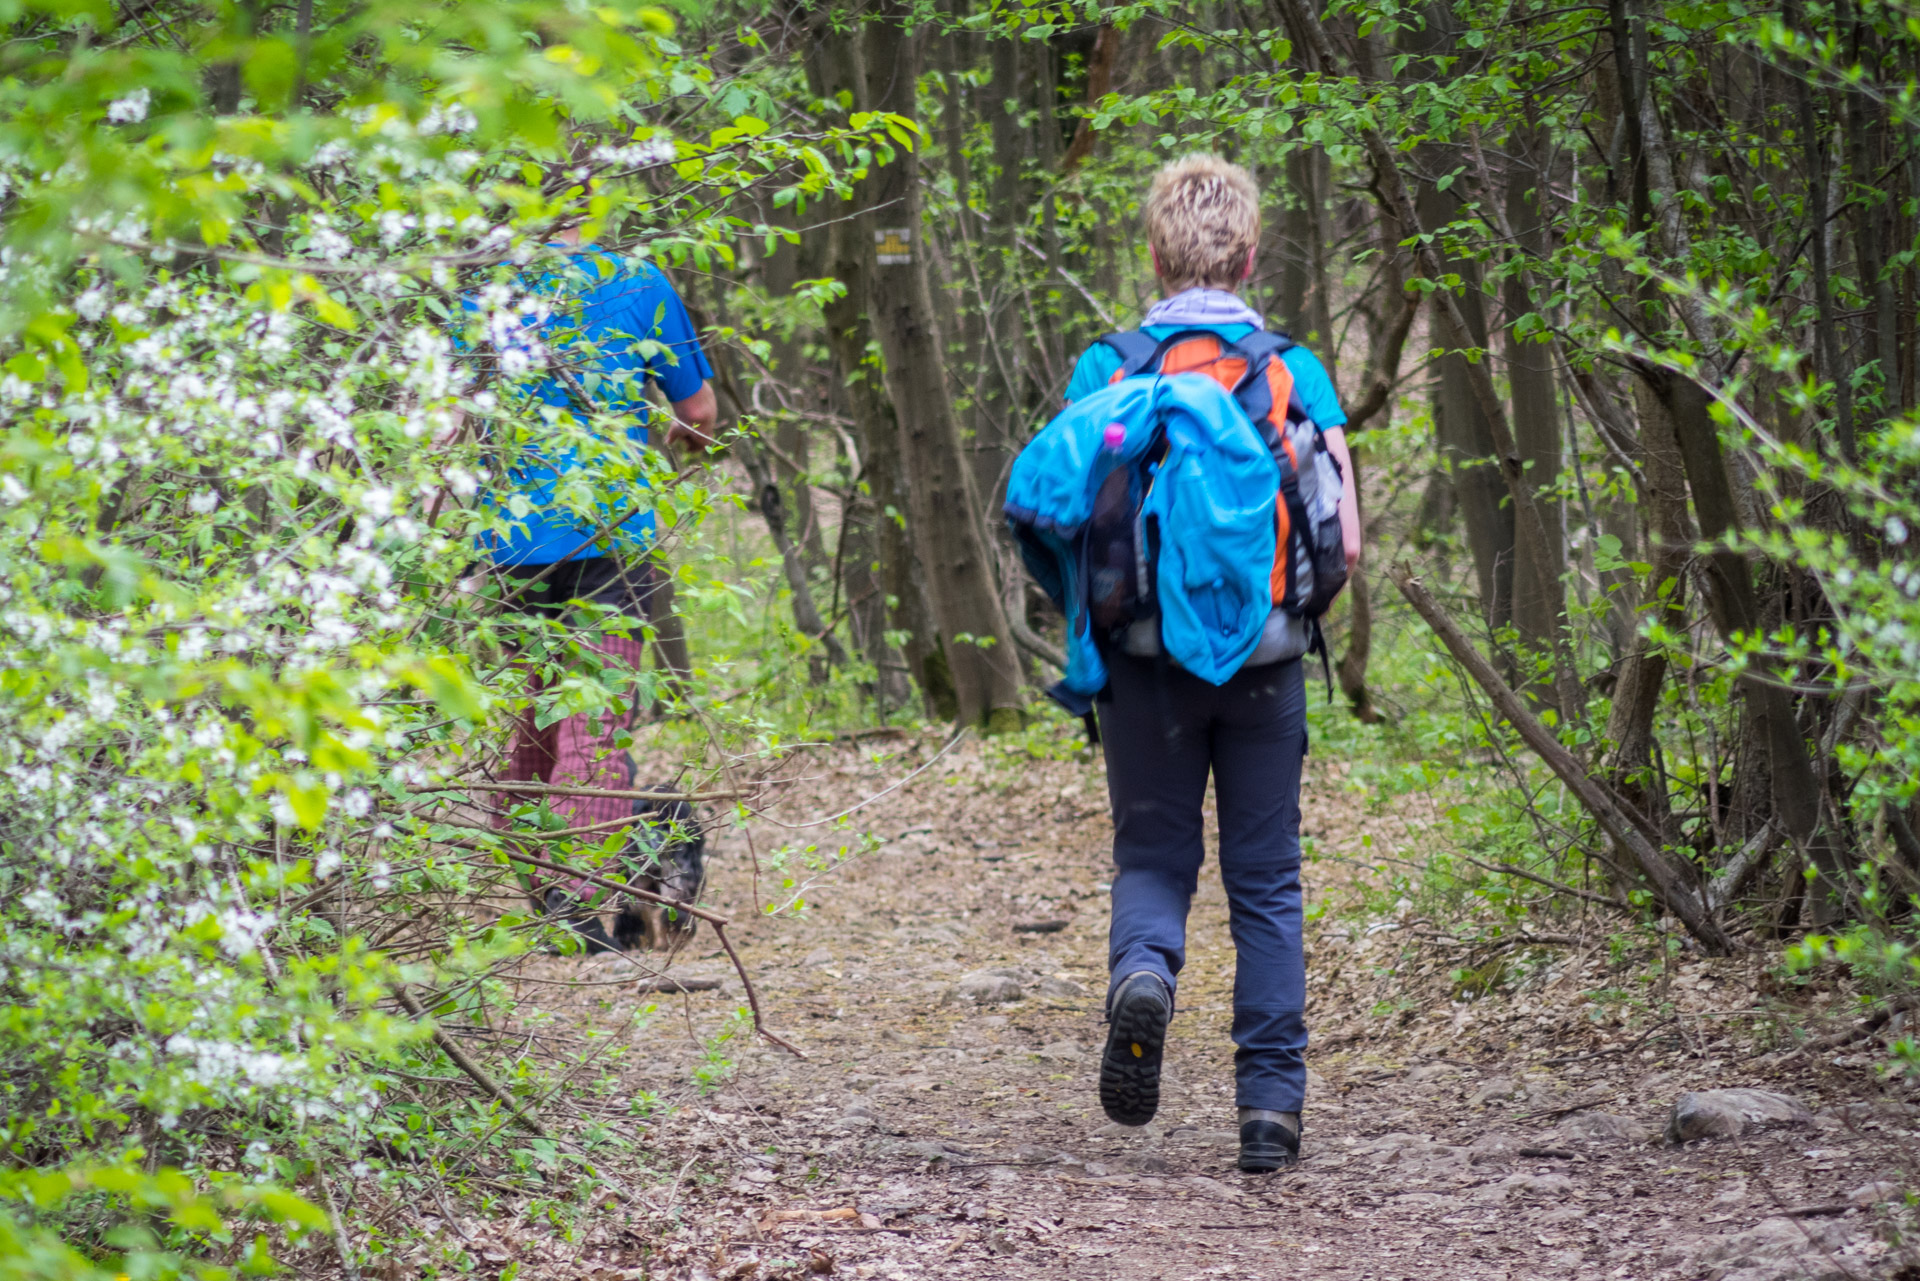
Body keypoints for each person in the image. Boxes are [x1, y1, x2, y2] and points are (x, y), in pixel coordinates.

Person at [1062, 155, 1361, 1172]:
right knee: (1267, 882)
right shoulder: (1294, 368)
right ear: (1250, 252)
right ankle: (1270, 1115)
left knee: (1153, 857)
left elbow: (1065, 513)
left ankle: (1144, 973)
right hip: (1269, 666)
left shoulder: (1111, 366)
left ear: (1153, 251)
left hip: (1144, 663)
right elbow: (1346, 540)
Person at [477, 224, 718, 947]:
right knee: (587, 728)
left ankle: (572, 908)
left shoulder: (479, 284)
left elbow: (443, 419)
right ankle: (623, 870)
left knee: (530, 738)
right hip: (612, 533)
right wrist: (681, 447)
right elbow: (699, 412)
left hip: (509, 541)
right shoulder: (636, 281)